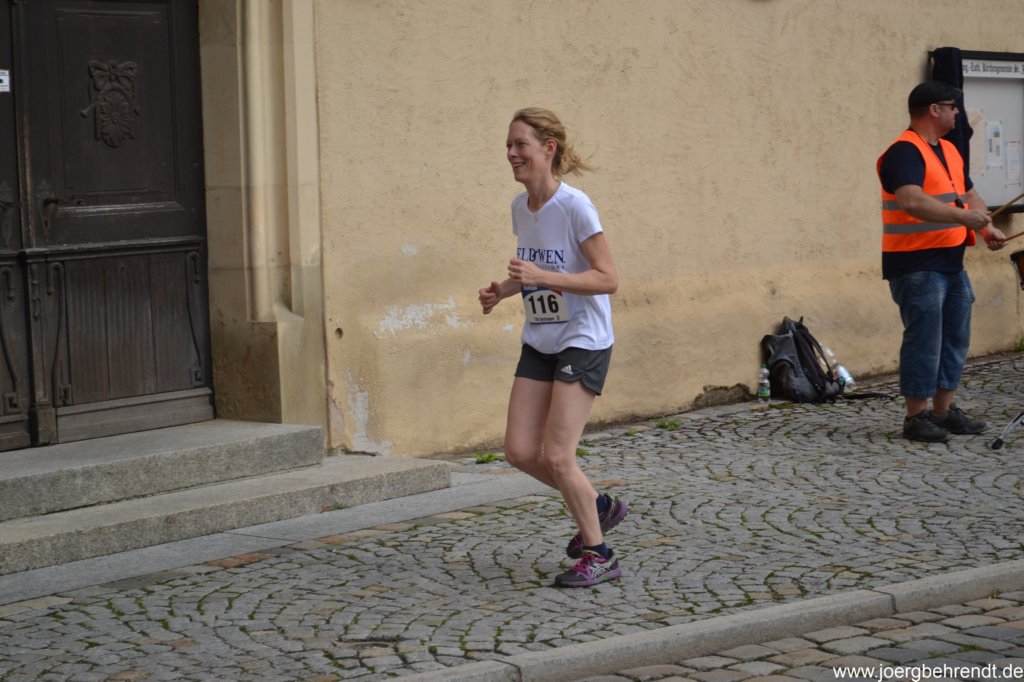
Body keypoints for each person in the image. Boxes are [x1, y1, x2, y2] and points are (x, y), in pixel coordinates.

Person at [478, 108, 627, 587]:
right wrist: (505, 290)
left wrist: (543, 276)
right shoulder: (521, 207)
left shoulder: (576, 206)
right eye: (508, 145)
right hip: (541, 338)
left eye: (520, 144)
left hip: (583, 339)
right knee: (520, 451)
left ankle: (599, 554)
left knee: (559, 456)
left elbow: (608, 279)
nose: (511, 153)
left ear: (548, 148)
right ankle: (597, 504)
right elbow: (534, 272)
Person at [877, 81, 1006, 443]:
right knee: (924, 339)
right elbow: (911, 201)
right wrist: (965, 219)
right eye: (952, 106)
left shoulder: (949, 149)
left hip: (950, 261)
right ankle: (916, 416)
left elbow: (968, 195)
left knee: (954, 337)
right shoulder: (904, 152)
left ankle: (943, 411)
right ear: (934, 110)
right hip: (915, 262)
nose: (957, 113)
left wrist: (987, 228)